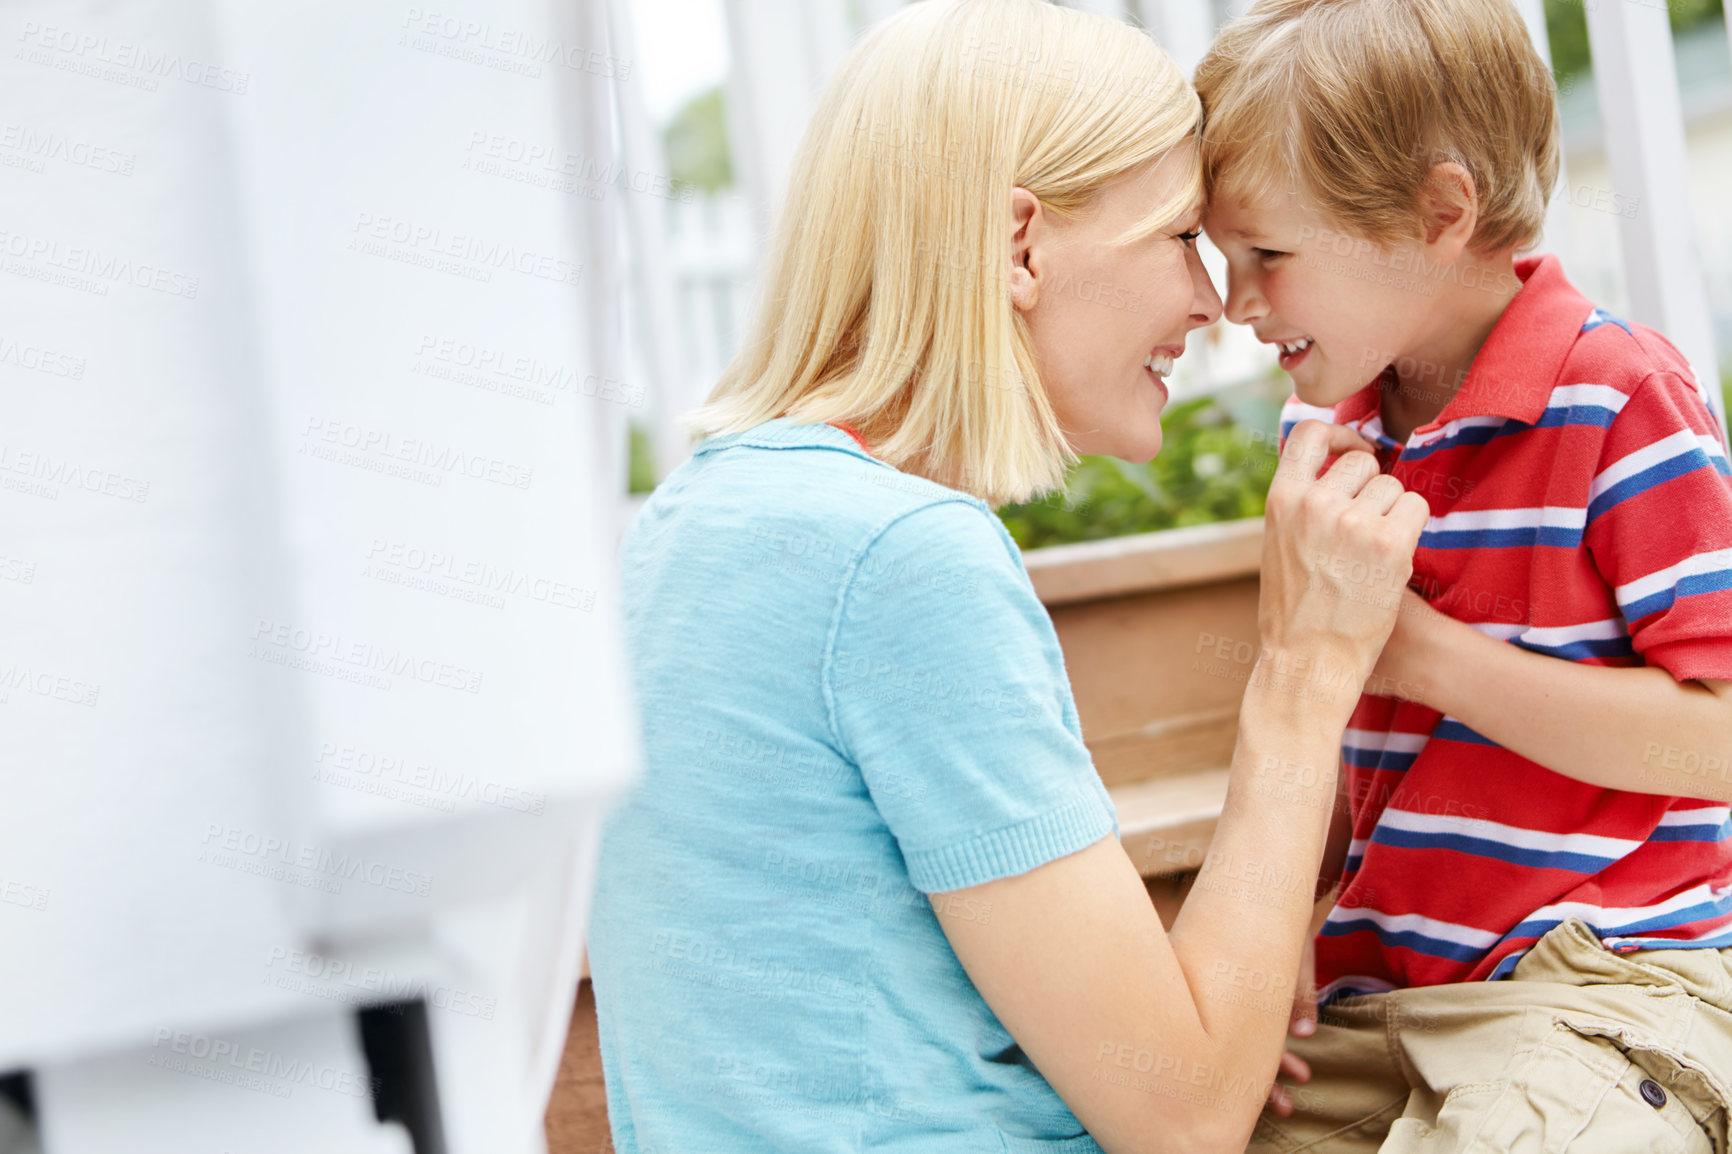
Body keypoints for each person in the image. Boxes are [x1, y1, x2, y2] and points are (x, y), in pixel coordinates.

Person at [585, 1, 1428, 1150]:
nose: (1210, 302)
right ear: (1019, 243)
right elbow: (1181, 1112)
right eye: (1180, 236)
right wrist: (1303, 670)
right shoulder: (900, 560)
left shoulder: (697, 515)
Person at [1195, 0, 1732, 1148]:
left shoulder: (1619, 397)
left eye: (1268, 256)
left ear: (1438, 213)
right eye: (1220, 257)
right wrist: (1287, 905)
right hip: (1380, 996)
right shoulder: (1336, 440)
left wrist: (1420, 651)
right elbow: (1331, 734)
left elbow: (1716, 740)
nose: (1234, 305)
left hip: (1601, 989)